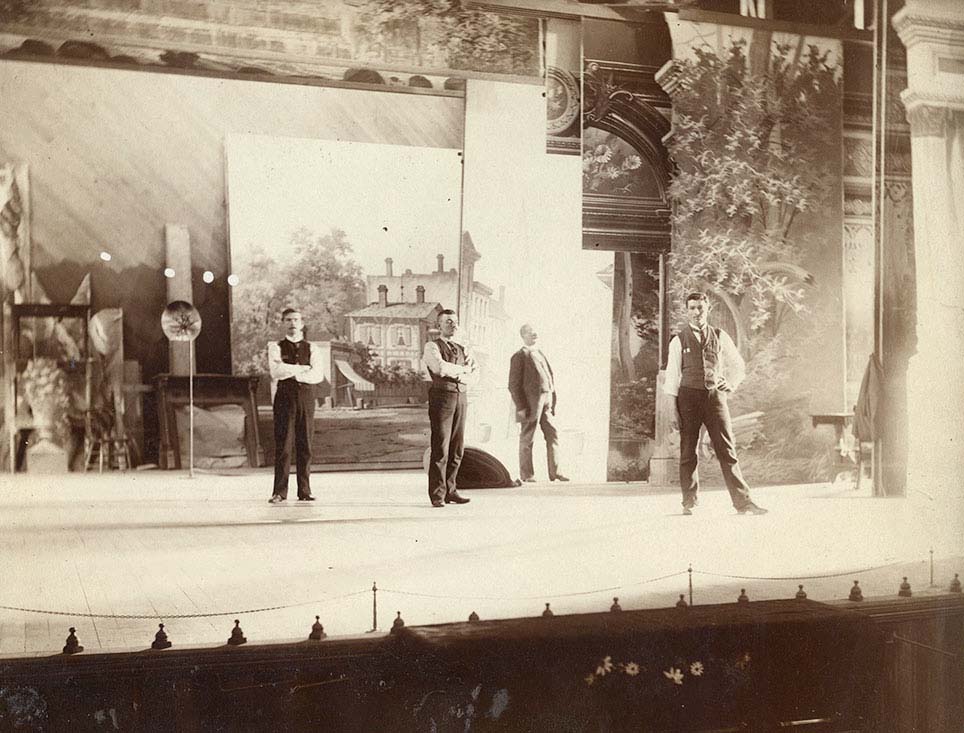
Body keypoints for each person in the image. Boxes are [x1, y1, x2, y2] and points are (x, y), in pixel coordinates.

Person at [663, 292, 767, 516]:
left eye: (700, 307)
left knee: (727, 450)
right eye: (692, 308)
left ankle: (744, 502)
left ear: (707, 309)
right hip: (688, 398)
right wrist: (673, 409)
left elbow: (738, 366)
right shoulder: (678, 340)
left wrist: (729, 384)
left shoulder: (720, 336)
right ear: (687, 310)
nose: (696, 312)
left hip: (714, 398)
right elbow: (672, 376)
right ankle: (688, 501)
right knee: (688, 451)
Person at [268, 308, 324, 504]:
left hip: (306, 397)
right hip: (285, 397)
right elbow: (276, 371)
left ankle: (305, 490)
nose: (293, 323)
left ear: (302, 323)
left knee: (305, 444)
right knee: (283, 445)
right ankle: (279, 492)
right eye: (289, 320)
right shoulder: (276, 347)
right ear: (283, 322)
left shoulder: (313, 348)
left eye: (296, 320)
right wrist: (302, 369)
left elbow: (317, 375)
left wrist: (291, 371)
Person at [422, 309, 477, 507]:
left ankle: (451, 491)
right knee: (441, 448)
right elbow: (439, 368)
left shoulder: (463, 348)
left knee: (457, 449)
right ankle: (437, 495)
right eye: (447, 322)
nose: (452, 325)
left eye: (454, 322)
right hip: (442, 398)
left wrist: (461, 373)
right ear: (439, 326)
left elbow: (475, 374)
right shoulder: (432, 347)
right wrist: (464, 370)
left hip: (461, 397)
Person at [508, 323, 569, 483]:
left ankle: (556, 472)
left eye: (535, 332)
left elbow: (549, 377)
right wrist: (521, 407)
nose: (534, 334)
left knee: (553, 434)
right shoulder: (519, 356)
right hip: (530, 404)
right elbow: (513, 385)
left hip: (547, 400)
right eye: (530, 332)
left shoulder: (540, 353)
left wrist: (552, 401)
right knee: (527, 438)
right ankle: (527, 475)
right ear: (523, 335)